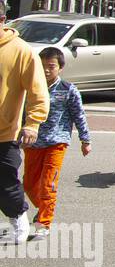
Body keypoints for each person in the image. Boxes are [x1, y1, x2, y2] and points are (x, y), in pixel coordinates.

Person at [20, 47, 88, 240]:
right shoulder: (30, 88)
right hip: (33, 142)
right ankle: (42, 208)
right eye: (42, 67)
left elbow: (79, 115)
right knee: (29, 184)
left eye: (51, 66)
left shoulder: (68, 90)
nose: (47, 70)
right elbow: (22, 114)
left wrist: (85, 140)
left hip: (57, 142)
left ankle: (44, 222)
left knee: (49, 183)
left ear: (60, 68)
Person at [0, 13, 48, 243]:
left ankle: (19, 220)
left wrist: (33, 124)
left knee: (5, 181)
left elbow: (38, 92)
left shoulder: (21, 51)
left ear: (2, 19)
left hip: (4, 132)